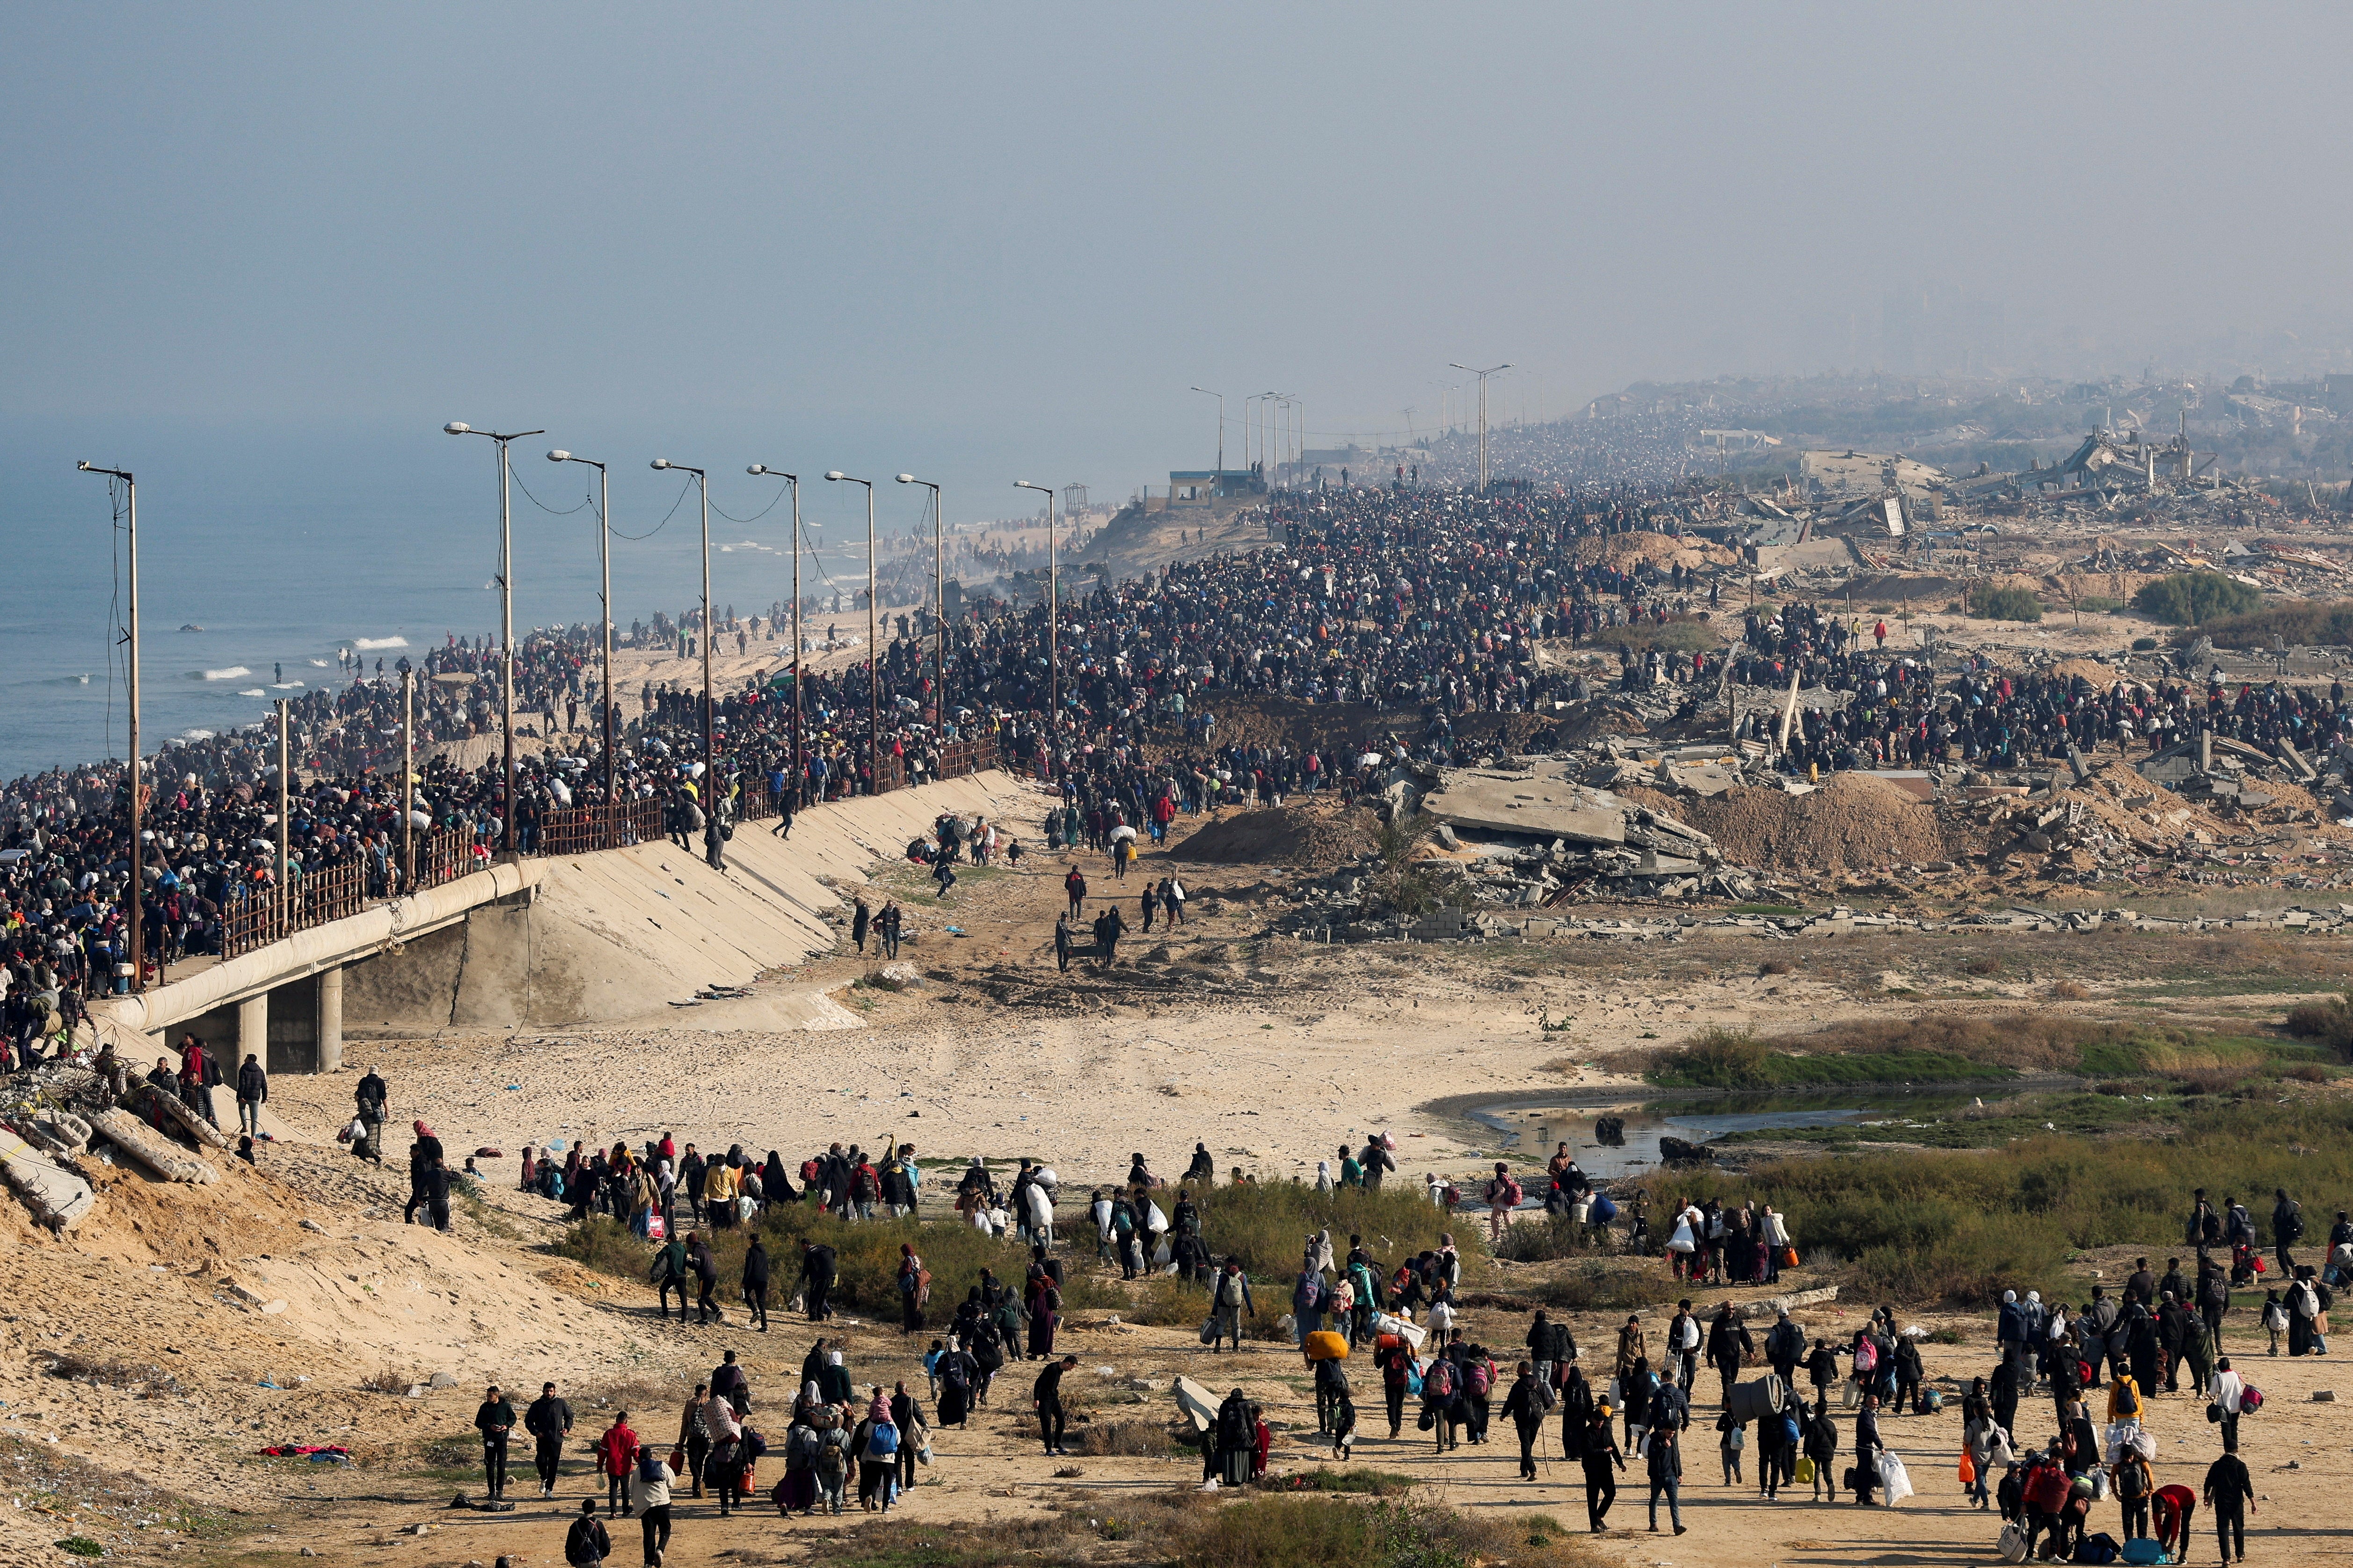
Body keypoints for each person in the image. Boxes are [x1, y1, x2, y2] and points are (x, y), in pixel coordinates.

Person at [1502, 1361, 1552, 1481]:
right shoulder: (1539, 1384)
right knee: (1528, 1445)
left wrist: (1504, 1415)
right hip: (1536, 1419)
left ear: (1524, 1370)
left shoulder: (1518, 1386)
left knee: (1526, 1445)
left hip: (1522, 1419)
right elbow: (1548, 1403)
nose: (1517, 1372)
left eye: (1519, 1369)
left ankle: (1532, 1470)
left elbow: (1510, 1403)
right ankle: (1524, 1470)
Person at [626, 1442, 674, 1568]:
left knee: (649, 1534)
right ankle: (660, 1550)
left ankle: (648, 1563)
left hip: (646, 1507)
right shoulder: (662, 1465)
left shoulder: (637, 1472)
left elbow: (632, 1490)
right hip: (663, 1503)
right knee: (665, 1530)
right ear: (651, 1456)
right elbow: (672, 1482)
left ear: (639, 1459)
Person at [526, 1380, 575, 1500]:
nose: (549, 1393)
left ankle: (549, 1490)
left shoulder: (561, 1403)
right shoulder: (537, 1405)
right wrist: (536, 1432)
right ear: (543, 1391)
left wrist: (567, 1429)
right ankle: (544, 1477)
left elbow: (569, 1417)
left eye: (551, 1391)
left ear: (554, 1392)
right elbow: (528, 1421)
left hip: (556, 1439)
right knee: (541, 1461)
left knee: (553, 1465)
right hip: (542, 1439)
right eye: (547, 1391)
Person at [2205, 1445, 2253, 1563]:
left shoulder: (2217, 1465)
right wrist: (2253, 1502)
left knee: (2223, 1529)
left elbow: (2208, 1482)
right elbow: (2247, 1485)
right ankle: (2240, 1555)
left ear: (2225, 1450)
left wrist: (2206, 1497)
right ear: (2236, 1451)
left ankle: (2226, 1558)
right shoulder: (2241, 1466)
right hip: (2237, 1503)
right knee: (2238, 1528)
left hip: (2221, 1502)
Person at [1581, 1405, 1624, 1533]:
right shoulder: (1587, 1433)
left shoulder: (1606, 1430)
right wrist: (1605, 1451)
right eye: (1597, 1422)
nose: (1600, 1425)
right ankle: (1594, 1525)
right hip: (1592, 1470)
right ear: (1592, 1420)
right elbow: (1589, 1452)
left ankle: (1599, 1517)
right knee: (1593, 1498)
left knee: (1611, 1493)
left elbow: (1613, 1447)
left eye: (1601, 1422)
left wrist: (1620, 1463)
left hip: (1606, 1469)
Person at [474, 1383, 517, 1503]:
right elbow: (478, 1423)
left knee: (502, 1465)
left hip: (502, 1439)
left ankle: (500, 1490)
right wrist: (490, 1427)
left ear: (496, 1396)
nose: (488, 1398)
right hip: (489, 1440)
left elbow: (513, 1418)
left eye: (490, 1396)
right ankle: (491, 1491)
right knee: (490, 1465)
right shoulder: (484, 1407)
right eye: (487, 1396)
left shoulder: (506, 1406)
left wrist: (506, 1426)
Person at [596, 1409, 638, 1517]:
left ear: (616, 1420)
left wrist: (600, 1466)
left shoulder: (609, 1434)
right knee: (625, 1488)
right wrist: (642, 1463)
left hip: (612, 1466)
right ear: (626, 1421)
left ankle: (613, 1511)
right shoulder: (631, 1435)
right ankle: (625, 1510)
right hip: (625, 1467)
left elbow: (602, 1452)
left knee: (613, 1488)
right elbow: (636, 1452)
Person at [1645, 1421, 1685, 1535]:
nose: (1671, 1435)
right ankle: (1653, 1524)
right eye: (1669, 1433)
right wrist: (1663, 1447)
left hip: (1672, 1476)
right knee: (1654, 1500)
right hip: (1658, 1477)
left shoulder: (1674, 1440)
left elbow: (1677, 1456)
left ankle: (1677, 1527)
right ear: (1663, 1430)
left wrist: (1680, 1473)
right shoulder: (1654, 1439)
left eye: (1673, 1433)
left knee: (1674, 1503)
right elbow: (1652, 1456)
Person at [1033, 1353, 1075, 1455]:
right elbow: (1038, 1383)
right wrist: (1036, 1399)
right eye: (1071, 1367)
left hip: (1054, 1398)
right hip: (1044, 1399)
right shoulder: (1052, 1368)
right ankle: (1048, 1450)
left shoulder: (1061, 1370)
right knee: (1046, 1424)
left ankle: (1058, 1444)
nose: (1071, 1370)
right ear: (1067, 1364)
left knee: (1061, 1419)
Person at [1209, 1259, 1254, 1352]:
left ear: (1230, 1264)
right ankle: (1235, 1348)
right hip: (1236, 1306)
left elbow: (1218, 1293)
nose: (1224, 1265)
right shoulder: (1242, 1276)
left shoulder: (1223, 1276)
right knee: (1236, 1326)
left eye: (1225, 1263)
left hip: (1223, 1305)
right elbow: (1246, 1293)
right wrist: (1251, 1309)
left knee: (1221, 1325)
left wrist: (1215, 1308)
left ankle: (1218, 1345)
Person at [563, 1496, 612, 1568]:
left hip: (580, 1562)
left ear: (583, 1509)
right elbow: (607, 1545)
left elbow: (569, 1546)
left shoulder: (575, 1525)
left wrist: (572, 1560)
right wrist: (601, 1557)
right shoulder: (598, 1524)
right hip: (595, 1562)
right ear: (594, 1509)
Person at [800, 1239, 838, 1321]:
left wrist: (801, 1280)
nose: (802, 1249)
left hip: (820, 1277)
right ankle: (820, 1317)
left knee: (813, 1298)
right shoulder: (822, 1247)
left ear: (805, 1245)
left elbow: (806, 1269)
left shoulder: (810, 1253)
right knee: (822, 1297)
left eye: (802, 1247)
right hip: (831, 1275)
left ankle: (813, 1318)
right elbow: (834, 1251)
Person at [234, 1052, 267, 1139]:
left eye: (246, 1058)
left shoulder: (244, 1069)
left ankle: (245, 1126)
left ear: (250, 1060)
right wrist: (265, 1098)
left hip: (245, 1096)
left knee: (242, 1109)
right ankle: (253, 1137)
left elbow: (242, 1084)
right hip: (255, 1097)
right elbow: (264, 1085)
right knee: (254, 1117)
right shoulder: (260, 1071)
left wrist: (240, 1096)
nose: (245, 1060)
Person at [742, 1237, 771, 1332]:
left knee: (744, 1294)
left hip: (754, 1278)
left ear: (751, 1240)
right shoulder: (764, 1251)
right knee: (761, 1302)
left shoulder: (751, 1251)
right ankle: (765, 1326)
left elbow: (748, 1267)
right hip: (764, 1279)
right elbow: (767, 1265)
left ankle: (755, 1311)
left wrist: (744, 1281)